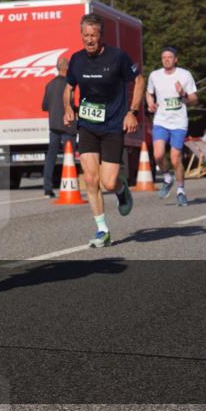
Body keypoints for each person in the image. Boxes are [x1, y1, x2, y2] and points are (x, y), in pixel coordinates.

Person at [62, 13, 145, 248]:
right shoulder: (76, 60)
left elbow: (138, 80)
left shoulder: (117, 57)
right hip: (87, 124)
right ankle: (102, 230)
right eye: (85, 35)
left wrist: (132, 111)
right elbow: (68, 88)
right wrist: (68, 107)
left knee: (108, 182)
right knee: (90, 179)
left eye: (93, 35)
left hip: (112, 125)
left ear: (101, 36)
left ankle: (121, 190)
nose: (89, 40)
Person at [145, 46, 198, 206]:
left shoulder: (184, 75)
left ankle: (181, 190)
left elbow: (194, 99)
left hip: (179, 122)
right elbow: (149, 92)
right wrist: (150, 103)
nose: (166, 59)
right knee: (158, 155)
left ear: (176, 59)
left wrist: (183, 94)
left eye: (170, 57)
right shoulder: (155, 75)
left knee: (176, 158)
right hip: (161, 120)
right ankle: (167, 178)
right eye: (164, 57)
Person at [42, 56, 75, 198]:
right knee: (70, 158)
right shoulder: (69, 85)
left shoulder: (50, 84)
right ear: (67, 68)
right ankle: (69, 185)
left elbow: (44, 106)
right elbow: (71, 105)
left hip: (53, 125)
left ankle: (47, 189)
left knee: (51, 157)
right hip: (68, 126)